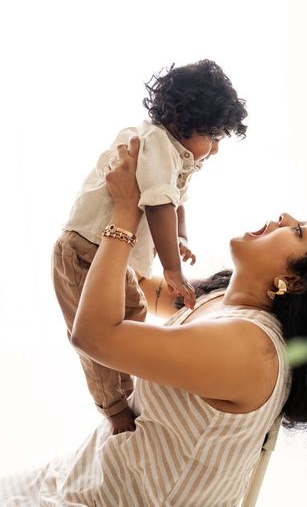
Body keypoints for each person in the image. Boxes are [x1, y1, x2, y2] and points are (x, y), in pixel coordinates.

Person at [0, 138, 307, 506]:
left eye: (298, 232)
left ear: (294, 282)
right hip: (82, 476)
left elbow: (95, 334)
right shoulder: (217, 299)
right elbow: (122, 286)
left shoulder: (251, 350)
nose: (284, 218)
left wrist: (127, 210)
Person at [52, 59, 247, 435]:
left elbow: (173, 204)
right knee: (96, 346)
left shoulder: (174, 156)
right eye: (215, 137)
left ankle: (132, 394)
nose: (216, 150)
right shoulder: (155, 142)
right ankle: (115, 411)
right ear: (184, 122)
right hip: (82, 252)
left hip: (110, 256)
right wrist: (172, 269)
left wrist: (181, 239)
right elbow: (158, 204)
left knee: (132, 320)